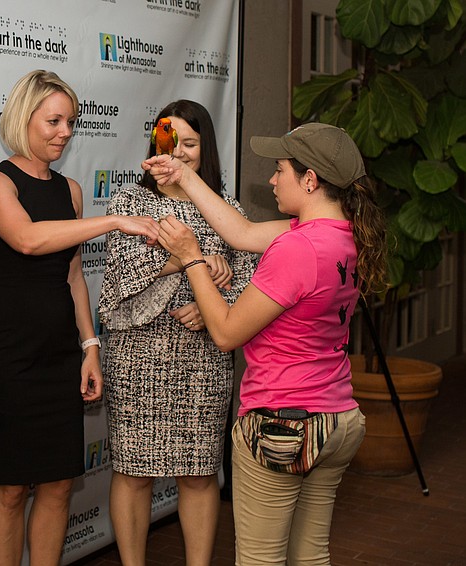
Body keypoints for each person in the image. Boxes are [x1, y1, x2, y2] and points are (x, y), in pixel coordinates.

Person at [144, 122, 387, 565]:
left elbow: (225, 332)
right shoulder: (343, 234)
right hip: (336, 420)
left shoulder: (297, 249)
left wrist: (191, 255)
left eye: (280, 170)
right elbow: (240, 232)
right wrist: (184, 175)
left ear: (309, 180)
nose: (272, 180)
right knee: (310, 556)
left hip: (283, 425)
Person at [0, 69, 159, 566]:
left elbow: (74, 274)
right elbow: (29, 240)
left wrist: (89, 347)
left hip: (58, 350)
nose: (65, 132)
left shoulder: (71, 191)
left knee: (57, 485)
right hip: (6, 350)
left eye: (71, 122)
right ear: (24, 118)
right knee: (10, 489)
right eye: (54, 120)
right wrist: (115, 219)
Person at [99, 100, 258, 566]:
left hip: (204, 359)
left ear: (205, 147)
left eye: (190, 143)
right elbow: (119, 281)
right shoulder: (132, 202)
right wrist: (192, 267)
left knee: (199, 473)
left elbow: (252, 288)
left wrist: (216, 303)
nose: (180, 153)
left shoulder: (227, 209)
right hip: (138, 357)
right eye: (171, 143)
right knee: (132, 472)